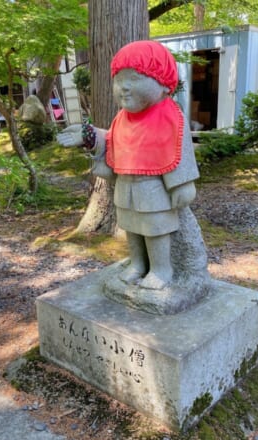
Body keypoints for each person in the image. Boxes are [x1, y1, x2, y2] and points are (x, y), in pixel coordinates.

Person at [58, 40, 202, 291]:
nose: (123, 87)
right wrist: (90, 136)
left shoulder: (170, 117)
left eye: (134, 78)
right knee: (131, 228)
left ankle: (161, 269)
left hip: (154, 188)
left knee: (155, 229)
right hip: (126, 186)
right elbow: (112, 141)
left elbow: (179, 150)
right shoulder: (122, 119)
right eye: (118, 79)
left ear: (162, 82)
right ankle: (137, 264)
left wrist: (183, 182)